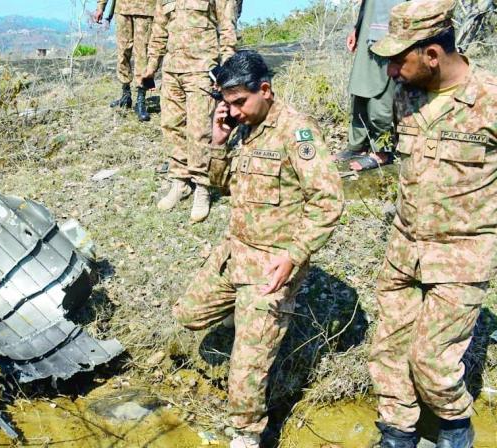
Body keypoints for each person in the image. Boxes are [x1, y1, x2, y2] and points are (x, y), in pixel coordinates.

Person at [172, 50, 343, 448]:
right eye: (225, 103)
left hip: (272, 263)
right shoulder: (244, 127)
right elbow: (219, 184)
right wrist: (218, 140)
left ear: (264, 89)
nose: (232, 111)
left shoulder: (296, 132)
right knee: (187, 315)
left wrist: (294, 255)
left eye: (238, 102)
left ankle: (247, 434)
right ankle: (242, 316)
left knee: (246, 367)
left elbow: (329, 201)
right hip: (235, 251)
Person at [366, 0, 496, 446]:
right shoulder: (408, 94)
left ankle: (455, 426)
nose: (389, 73)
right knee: (387, 350)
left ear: (432, 55)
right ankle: (398, 432)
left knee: (432, 362)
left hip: (462, 254)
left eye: (397, 61)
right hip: (404, 248)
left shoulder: (491, 100)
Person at [143, 0, 238, 222]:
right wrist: (151, 67)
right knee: (172, 125)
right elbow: (159, 30)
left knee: (199, 129)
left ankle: (202, 186)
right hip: (172, 70)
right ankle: (180, 180)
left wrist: (226, 69)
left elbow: (227, 26)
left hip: (201, 69)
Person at [337, 0, 404, 172]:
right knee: (360, 87)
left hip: (389, 34)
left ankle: (382, 152)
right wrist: (357, 29)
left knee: (380, 92)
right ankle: (357, 146)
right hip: (368, 30)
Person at [93, 0, 157, 121]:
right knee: (122, 52)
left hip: (146, 8)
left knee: (142, 53)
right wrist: (100, 7)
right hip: (123, 8)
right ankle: (125, 95)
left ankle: (141, 99)